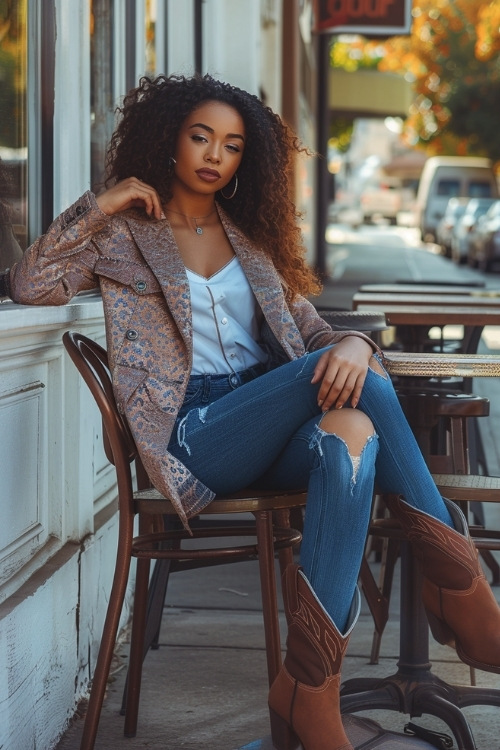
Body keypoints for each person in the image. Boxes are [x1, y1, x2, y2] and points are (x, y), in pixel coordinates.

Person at [2, 73, 500, 750]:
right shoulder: (123, 233)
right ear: (169, 139)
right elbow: (30, 285)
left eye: (232, 145)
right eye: (200, 136)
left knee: (352, 430)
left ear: (246, 159)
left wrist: (353, 340)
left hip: (265, 418)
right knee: (358, 393)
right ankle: (458, 587)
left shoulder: (251, 242)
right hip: (194, 433)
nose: (214, 155)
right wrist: (102, 199)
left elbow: (316, 338)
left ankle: (307, 690)